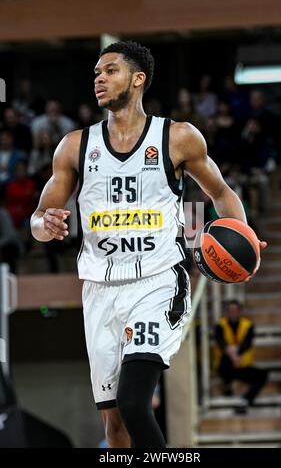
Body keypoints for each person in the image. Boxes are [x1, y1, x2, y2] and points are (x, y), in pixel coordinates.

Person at [30, 40, 266, 448]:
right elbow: (38, 218)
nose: (99, 79)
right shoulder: (74, 146)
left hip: (157, 281)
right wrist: (43, 224)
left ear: (138, 79)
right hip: (99, 289)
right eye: (96, 74)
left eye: (110, 71)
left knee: (135, 402)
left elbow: (220, 193)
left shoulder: (178, 137)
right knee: (115, 429)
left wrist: (240, 232)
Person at [214, 300, 268, 413]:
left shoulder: (248, 325)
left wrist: (237, 353)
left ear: (240, 312)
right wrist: (232, 355)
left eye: (235, 310)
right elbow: (221, 342)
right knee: (225, 361)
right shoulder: (220, 325)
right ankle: (227, 386)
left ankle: (246, 400)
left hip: (242, 364)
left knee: (263, 375)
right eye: (230, 310)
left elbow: (247, 344)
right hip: (226, 366)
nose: (232, 313)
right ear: (226, 312)